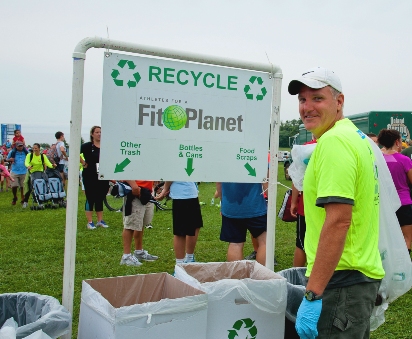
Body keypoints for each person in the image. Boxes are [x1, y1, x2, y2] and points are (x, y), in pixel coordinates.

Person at [288, 66, 384, 339]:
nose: (307, 107)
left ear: (339, 101)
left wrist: (313, 293)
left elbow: (339, 220)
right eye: (302, 99)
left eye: (317, 98)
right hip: (355, 275)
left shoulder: (334, 143)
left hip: (340, 279)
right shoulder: (356, 137)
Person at [378, 129, 412, 256]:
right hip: (403, 202)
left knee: (386, 238)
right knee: (406, 238)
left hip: (384, 203)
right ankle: (403, 269)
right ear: (397, 142)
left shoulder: (377, 159)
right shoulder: (404, 160)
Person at [216, 182, 267, 265]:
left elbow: (218, 182)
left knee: (235, 243)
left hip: (231, 206)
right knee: (264, 242)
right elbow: (267, 181)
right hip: (256, 206)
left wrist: (223, 202)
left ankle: (237, 277)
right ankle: (262, 276)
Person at [156, 181, 203, 264]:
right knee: (180, 231)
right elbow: (172, 174)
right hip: (181, 195)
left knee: (195, 226)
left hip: (191, 193)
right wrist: (164, 190)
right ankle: (180, 264)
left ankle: (189, 258)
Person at [120, 180, 159, 266]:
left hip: (146, 191)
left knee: (140, 223)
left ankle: (139, 252)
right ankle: (126, 256)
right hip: (135, 191)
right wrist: (134, 186)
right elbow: (125, 169)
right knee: (130, 225)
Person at [80, 126, 110, 229]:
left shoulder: (105, 146)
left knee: (100, 197)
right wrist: (83, 163)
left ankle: (100, 220)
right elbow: (74, 151)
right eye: (97, 132)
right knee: (90, 197)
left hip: (102, 175)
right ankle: (90, 221)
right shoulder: (87, 146)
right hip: (89, 175)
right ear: (92, 134)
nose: (99, 134)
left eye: (101, 132)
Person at [22, 143, 55, 208]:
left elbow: (48, 164)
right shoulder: (29, 155)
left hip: (40, 173)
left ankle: (44, 200)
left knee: (42, 186)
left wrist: (52, 166)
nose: (34, 149)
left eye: (36, 148)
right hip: (31, 173)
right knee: (28, 186)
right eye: (33, 148)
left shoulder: (43, 156)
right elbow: (26, 162)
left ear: (39, 149)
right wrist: (28, 166)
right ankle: (25, 201)